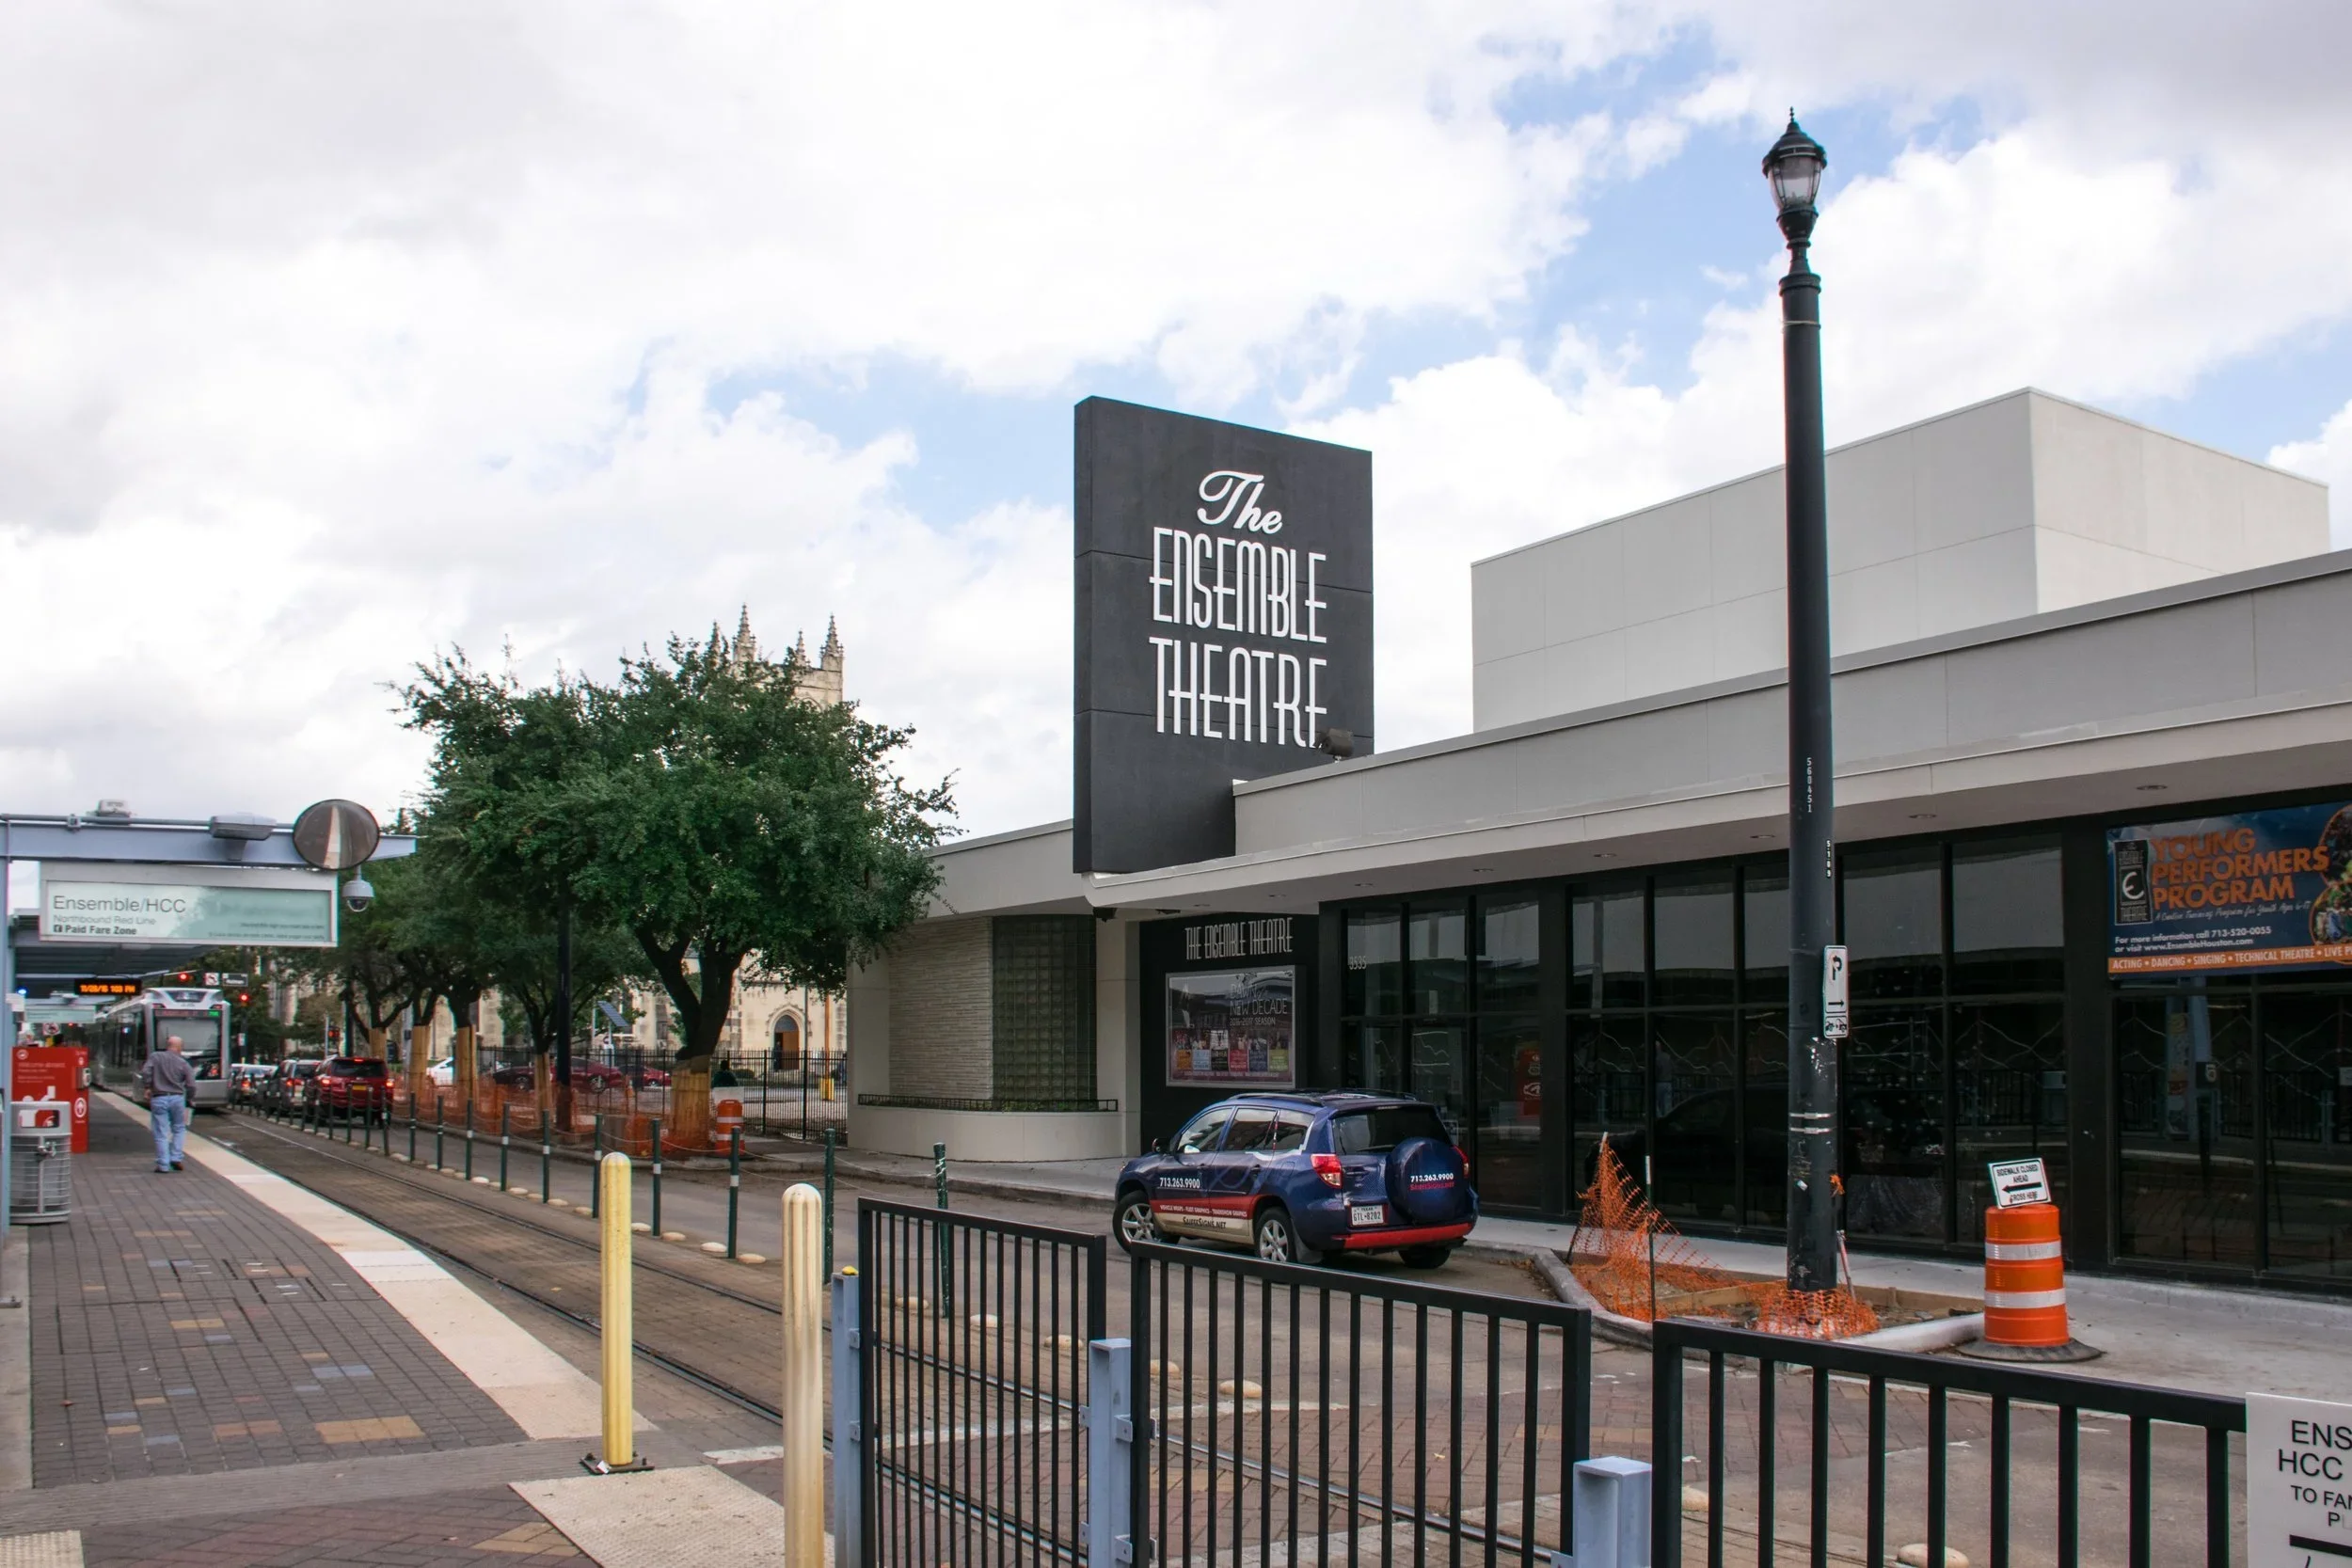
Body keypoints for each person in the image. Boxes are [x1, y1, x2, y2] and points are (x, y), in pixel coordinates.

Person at [136, 1034, 196, 1173]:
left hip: (159, 1098)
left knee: (161, 1133)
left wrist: (148, 1087)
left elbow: (145, 1072)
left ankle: (163, 1165)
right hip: (177, 1099)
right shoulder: (183, 1063)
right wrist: (189, 1098)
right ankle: (176, 1157)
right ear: (180, 1048)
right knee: (179, 1128)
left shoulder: (155, 1057)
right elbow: (191, 1085)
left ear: (168, 1046)